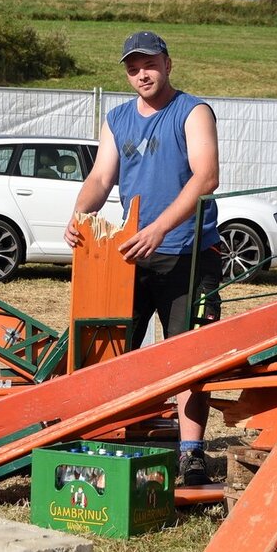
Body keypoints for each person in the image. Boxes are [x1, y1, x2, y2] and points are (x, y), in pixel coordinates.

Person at [65, 31, 222, 486]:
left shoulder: (193, 112)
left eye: (149, 64)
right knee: (114, 351)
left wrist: (160, 228)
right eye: (133, 68)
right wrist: (79, 214)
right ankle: (114, 439)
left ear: (168, 63)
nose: (141, 74)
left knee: (191, 357)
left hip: (189, 254)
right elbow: (100, 177)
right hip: (130, 255)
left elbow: (206, 176)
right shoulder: (117, 119)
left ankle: (191, 453)